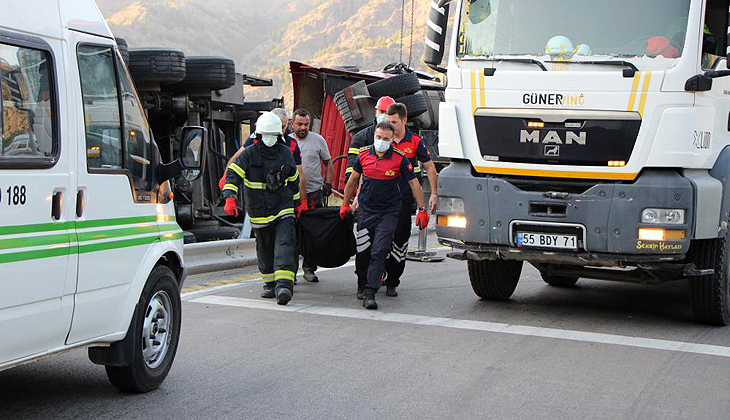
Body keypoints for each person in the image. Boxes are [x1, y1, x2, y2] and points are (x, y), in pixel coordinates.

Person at [339, 121, 429, 310]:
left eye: (386, 139)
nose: (381, 141)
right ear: (374, 137)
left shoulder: (400, 159)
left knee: (379, 250)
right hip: (366, 212)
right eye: (378, 138)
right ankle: (362, 284)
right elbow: (353, 180)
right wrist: (345, 204)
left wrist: (422, 209)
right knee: (363, 251)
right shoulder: (363, 155)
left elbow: (414, 184)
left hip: (389, 213)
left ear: (391, 140)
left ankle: (371, 292)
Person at [222, 112, 301, 305]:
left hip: (283, 207)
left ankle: (284, 286)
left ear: (279, 136)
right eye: (266, 135)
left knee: (284, 244)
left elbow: (293, 179)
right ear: (258, 136)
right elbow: (233, 174)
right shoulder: (249, 154)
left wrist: (298, 202)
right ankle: (269, 284)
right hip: (259, 210)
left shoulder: (284, 153)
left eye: (272, 136)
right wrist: (229, 198)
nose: (269, 139)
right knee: (264, 249)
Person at [383, 103, 439, 296]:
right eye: (388, 122)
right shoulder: (383, 139)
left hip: (405, 200)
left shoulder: (415, 141)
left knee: (400, 240)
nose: (391, 125)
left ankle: (392, 281)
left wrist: (433, 194)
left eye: (394, 122)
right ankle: (379, 273)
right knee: (381, 239)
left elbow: (430, 168)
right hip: (383, 199)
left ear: (404, 120)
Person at [220, 108, 308, 218]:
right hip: (257, 199)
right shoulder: (255, 140)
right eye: (279, 126)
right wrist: (226, 176)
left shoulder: (291, 145)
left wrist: (302, 201)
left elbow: (299, 176)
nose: (281, 130)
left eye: (283, 127)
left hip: (281, 198)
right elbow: (238, 158)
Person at [291, 108, 335, 282]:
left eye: (306, 124)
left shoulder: (318, 140)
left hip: (314, 194)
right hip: (293, 196)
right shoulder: (287, 142)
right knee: (292, 233)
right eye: (299, 124)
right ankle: (290, 272)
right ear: (292, 124)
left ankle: (309, 268)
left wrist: (328, 183)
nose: (303, 127)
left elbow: (328, 164)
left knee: (313, 233)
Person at [345, 96, 396, 184]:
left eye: (387, 112)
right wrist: (352, 181)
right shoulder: (361, 137)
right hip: (367, 185)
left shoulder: (403, 138)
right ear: (376, 112)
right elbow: (352, 164)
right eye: (381, 111)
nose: (384, 115)